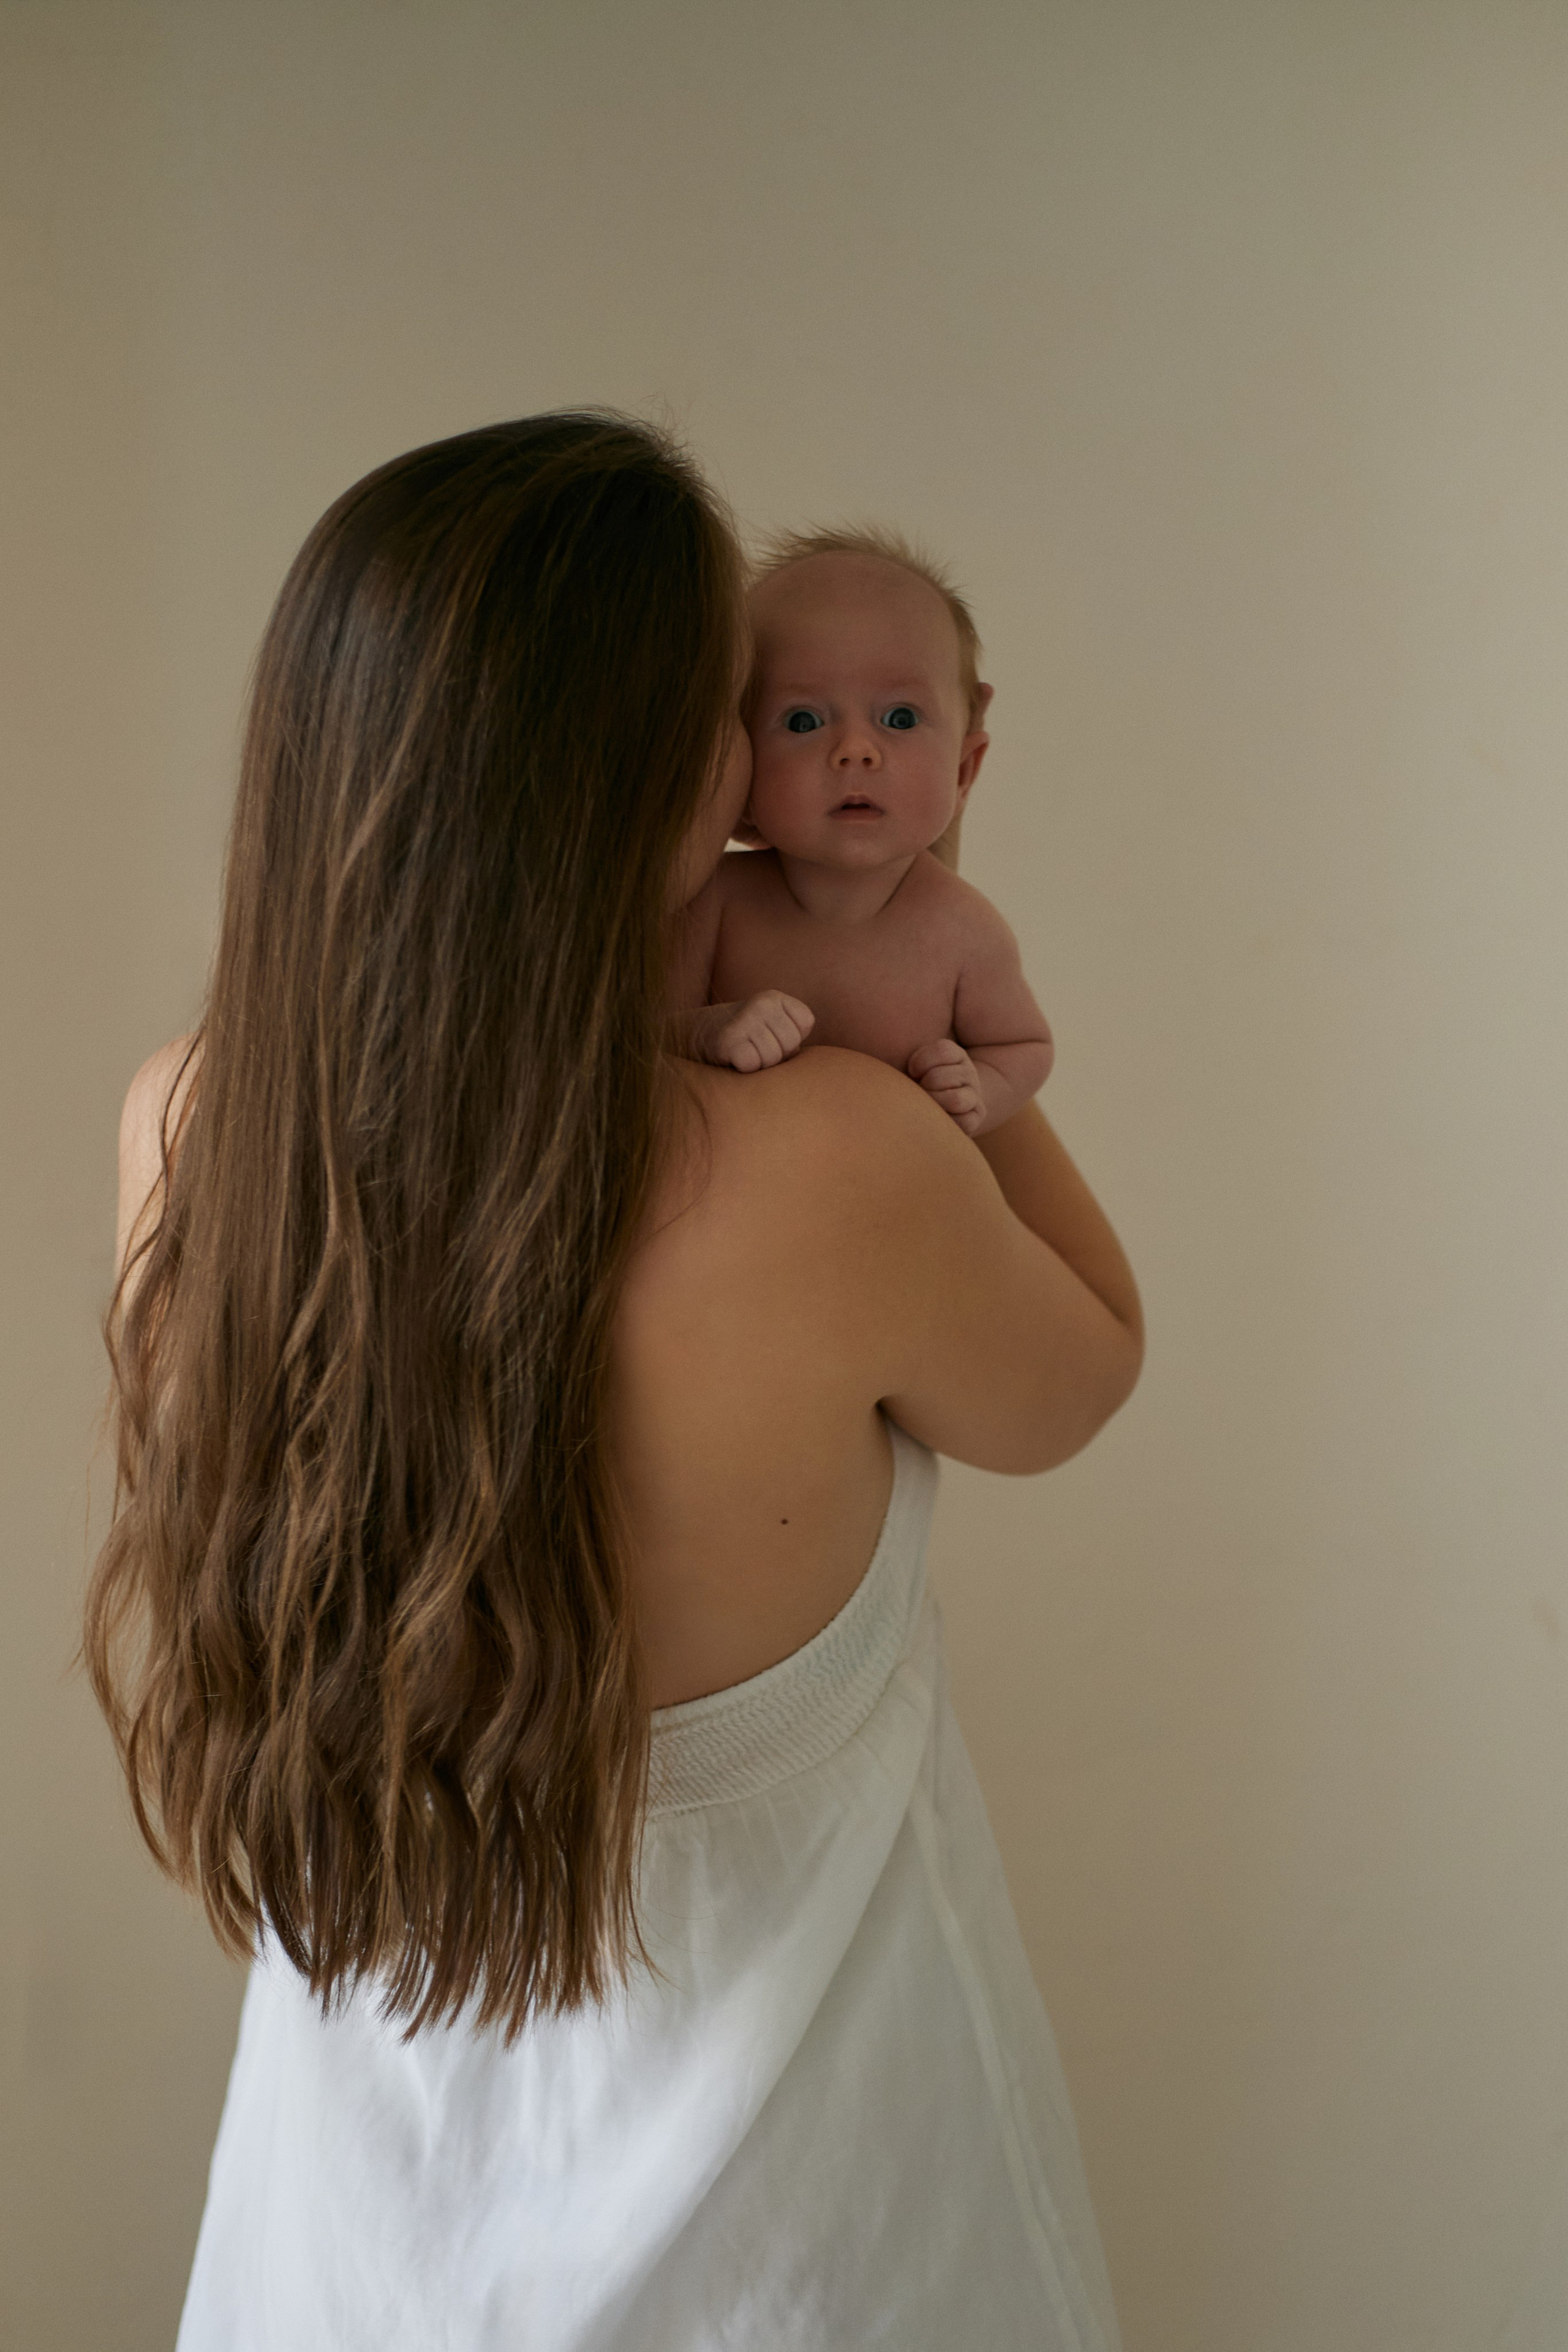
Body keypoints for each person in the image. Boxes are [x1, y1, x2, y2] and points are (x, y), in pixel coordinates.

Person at [89, 413, 1144, 2351]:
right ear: (660, 778)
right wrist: (917, 973)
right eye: (742, 718)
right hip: (830, 2240)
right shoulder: (839, 1160)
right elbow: (1083, 1367)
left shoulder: (196, 1124)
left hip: (354, 2239)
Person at [672, 525, 1054, 1137]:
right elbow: (644, 1034)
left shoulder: (963, 930)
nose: (855, 750)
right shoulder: (717, 903)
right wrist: (709, 1030)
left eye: (899, 717)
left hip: (902, 1209)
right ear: (740, 778)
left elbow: (1024, 1045)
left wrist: (978, 1088)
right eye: (802, 720)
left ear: (963, 768)